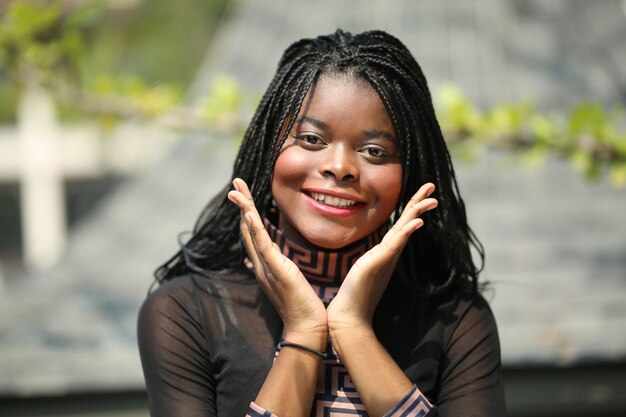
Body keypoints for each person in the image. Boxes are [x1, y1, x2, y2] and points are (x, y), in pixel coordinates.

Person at [137, 29, 506, 417]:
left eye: (374, 150)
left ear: (410, 173)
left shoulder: (457, 318)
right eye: (312, 139)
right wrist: (302, 333)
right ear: (267, 149)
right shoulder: (185, 313)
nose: (340, 167)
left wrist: (353, 330)